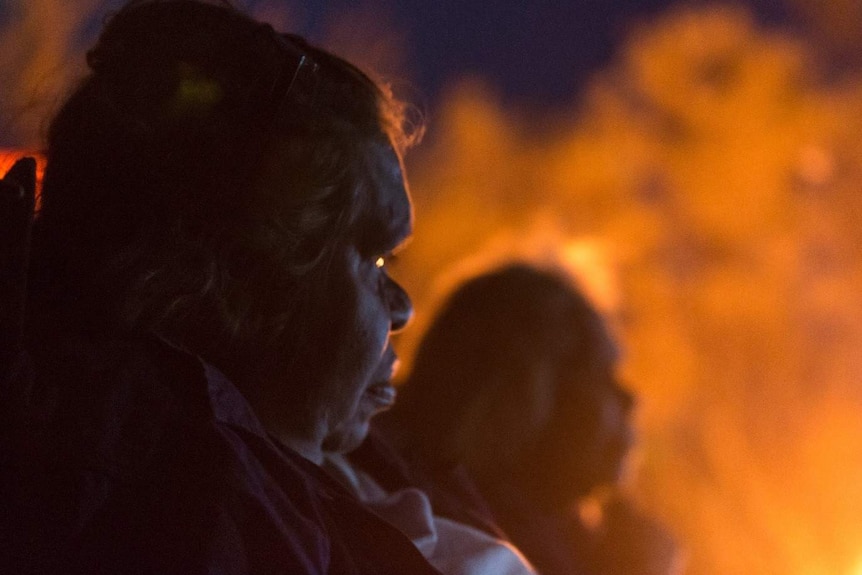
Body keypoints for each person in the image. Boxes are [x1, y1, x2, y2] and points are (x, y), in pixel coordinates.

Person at [0, 1, 443, 573]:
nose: (404, 309)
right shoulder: (183, 516)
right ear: (242, 281)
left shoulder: (238, 481)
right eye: (377, 260)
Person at [378, 263, 683, 575]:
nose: (631, 399)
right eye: (600, 373)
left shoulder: (565, 539)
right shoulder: (429, 529)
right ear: (520, 387)